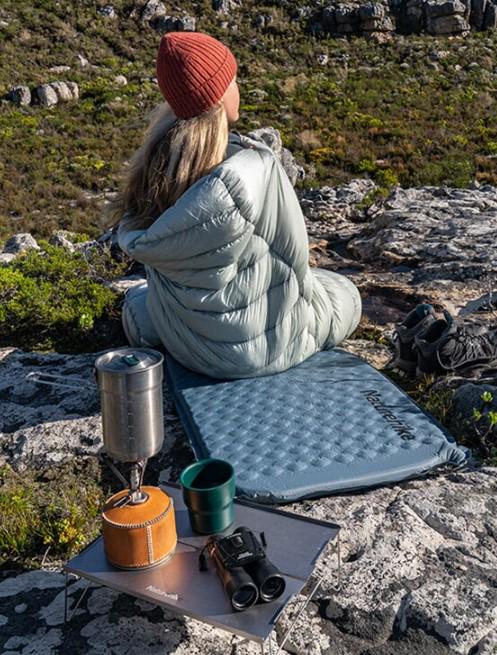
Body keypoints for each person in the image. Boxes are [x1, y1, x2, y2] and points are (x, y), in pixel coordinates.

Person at [107, 30, 362, 379]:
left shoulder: (156, 167)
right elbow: (293, 256)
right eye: (233, 79)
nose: (237, 87)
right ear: (218, 95)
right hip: (267, 347)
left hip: (189, 346)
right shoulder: (257, 169)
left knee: (140, 305)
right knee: (345, 294)